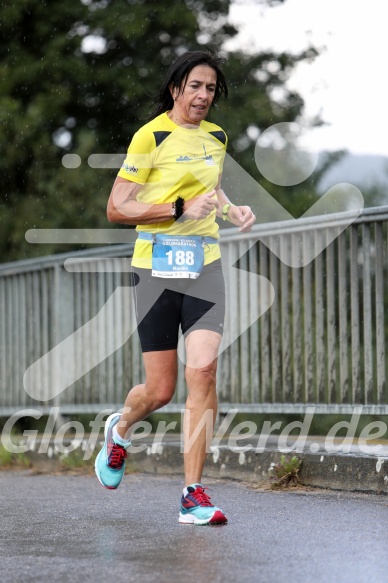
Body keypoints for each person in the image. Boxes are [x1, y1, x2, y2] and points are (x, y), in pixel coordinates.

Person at [95, 50, 256, 525]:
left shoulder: (217, 137)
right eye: (195, 87)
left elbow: (214, 188)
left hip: (204, 267)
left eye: (210, 89)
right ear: (175, 89)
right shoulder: (151, 136)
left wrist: (231, 210)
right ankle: (120, 428)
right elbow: (117, 209)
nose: (203, 96)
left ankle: (192, 494)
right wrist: (179, 207)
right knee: (160, 390)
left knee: (202, 374)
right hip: (156, 271)